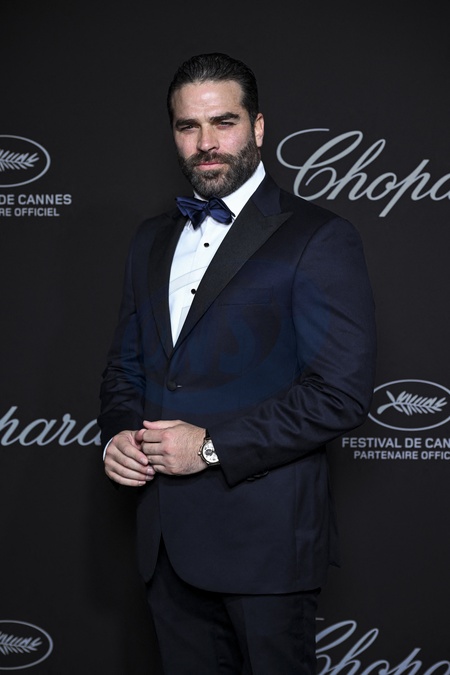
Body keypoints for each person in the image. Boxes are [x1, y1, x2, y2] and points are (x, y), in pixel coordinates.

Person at [98, 52, 377, 674]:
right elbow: (126, 366)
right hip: (164, 542)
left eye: (223, 122)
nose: (206, 143)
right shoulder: (150, 239)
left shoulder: (318, 237)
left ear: (258, 127)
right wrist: (118, 433)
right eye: (188, 126)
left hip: (266, 544)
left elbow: (339, 392)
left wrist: (210, 446)